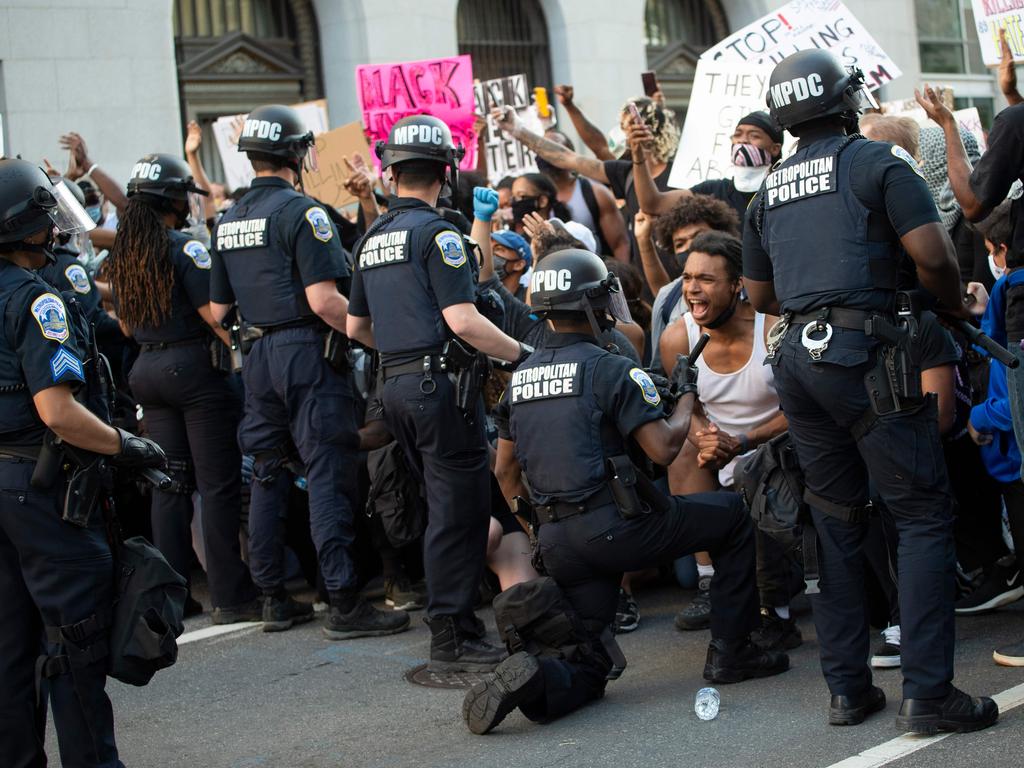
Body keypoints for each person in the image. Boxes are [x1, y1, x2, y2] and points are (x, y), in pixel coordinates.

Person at [743, 49, 996, 732]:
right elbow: (936, 255)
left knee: (837, 520)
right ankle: (930, 694)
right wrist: (951, 306)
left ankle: (849, 690)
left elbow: (762, 294)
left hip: (799, 360)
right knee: (918, 517)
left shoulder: (766, 189)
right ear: (847, 100)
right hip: (871, 358)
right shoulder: (879, 164)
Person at [466, 248, 789, 735]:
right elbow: (662, 449)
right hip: (620, 528)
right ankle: (733, 651)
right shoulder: (610, 367)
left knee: (590, 664)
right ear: (595, 306)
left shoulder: (522, 378)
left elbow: (506, 471)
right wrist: (684, 395)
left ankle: (538, 681)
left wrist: (536, 529)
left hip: (557, 542)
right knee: (732, 517)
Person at [209, 104, 408, 640]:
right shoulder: (304, 214)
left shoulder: (227, 219)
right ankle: (345, 602)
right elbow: (324, 301)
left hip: (257, 356)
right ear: (297, 153)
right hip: (307, 351)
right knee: (327, 471)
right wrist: (379, 341)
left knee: (269, 471)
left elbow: (218, 312)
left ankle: (273, 596)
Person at [346, 114, 530, 672]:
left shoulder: (371, 237)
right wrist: (524, 355)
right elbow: (463, 320)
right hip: (439, 389)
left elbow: (356, 327)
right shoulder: (438, 234)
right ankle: (453, 636)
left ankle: (454, 627)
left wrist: (402, 352)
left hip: (395, 387)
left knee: (443, 510)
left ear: (392, 171)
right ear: (445, 175)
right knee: (461, 514)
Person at [0, 159, 165, 768]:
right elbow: (58, 411)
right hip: (41, 489)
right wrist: (127, 446)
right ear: (23, 228)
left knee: (9, 648)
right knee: (75, 644)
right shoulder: (34, 300)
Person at [105, 152, 260, 622]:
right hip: (193, 371)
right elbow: (214, 317)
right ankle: (232, 596)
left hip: (147, 373)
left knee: (168, 486)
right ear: (174, 200)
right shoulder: (184, 247)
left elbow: (128, 329)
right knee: (217, 486)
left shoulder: (124, 255)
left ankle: (171, 598)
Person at [917, 47, 1024, 671]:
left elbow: (975, 201)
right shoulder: (1016, 119)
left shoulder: (1014, 125)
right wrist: (1007, 97)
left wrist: (953, 127)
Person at [658, 232, 792, 645]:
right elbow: (688, 408)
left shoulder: (773, 327)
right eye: (687, 277)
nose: (692, 289)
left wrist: (747, 440)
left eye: (707, 279)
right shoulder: (677, 338)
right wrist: (709, 441)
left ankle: (778, 603)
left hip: (776, 452)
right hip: (718, 457)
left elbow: (801, 410)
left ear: (737, 285)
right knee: (679, 445)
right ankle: (707, 579)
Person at [493, 97, 679, 268]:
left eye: (627, 126)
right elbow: (566, 157)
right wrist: (517, 130)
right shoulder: (625, 173)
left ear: (650, 128)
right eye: (624, 126)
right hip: (649, 285)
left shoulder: (679, 176)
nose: (623, 133)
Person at [629, 112, 784, 223]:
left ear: (775, 148)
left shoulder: (783, 190)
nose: (742, 141)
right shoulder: (713, 191)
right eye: (737, 134)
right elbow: (653, 204)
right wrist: (638, 156)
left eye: (754, 136)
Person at [537, 129, 630, 261]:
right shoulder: (537, 199)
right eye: (542, 147)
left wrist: (620, 279)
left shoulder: (596, 193)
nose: (547, 152)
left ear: (568, 153)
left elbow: (620, 244)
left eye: (553, 146)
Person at [490, 230, 532, 301]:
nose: (489, 253)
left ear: (519, 265)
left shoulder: (527, 300)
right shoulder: (478, 294)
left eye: (498, 249)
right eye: (488, 248)